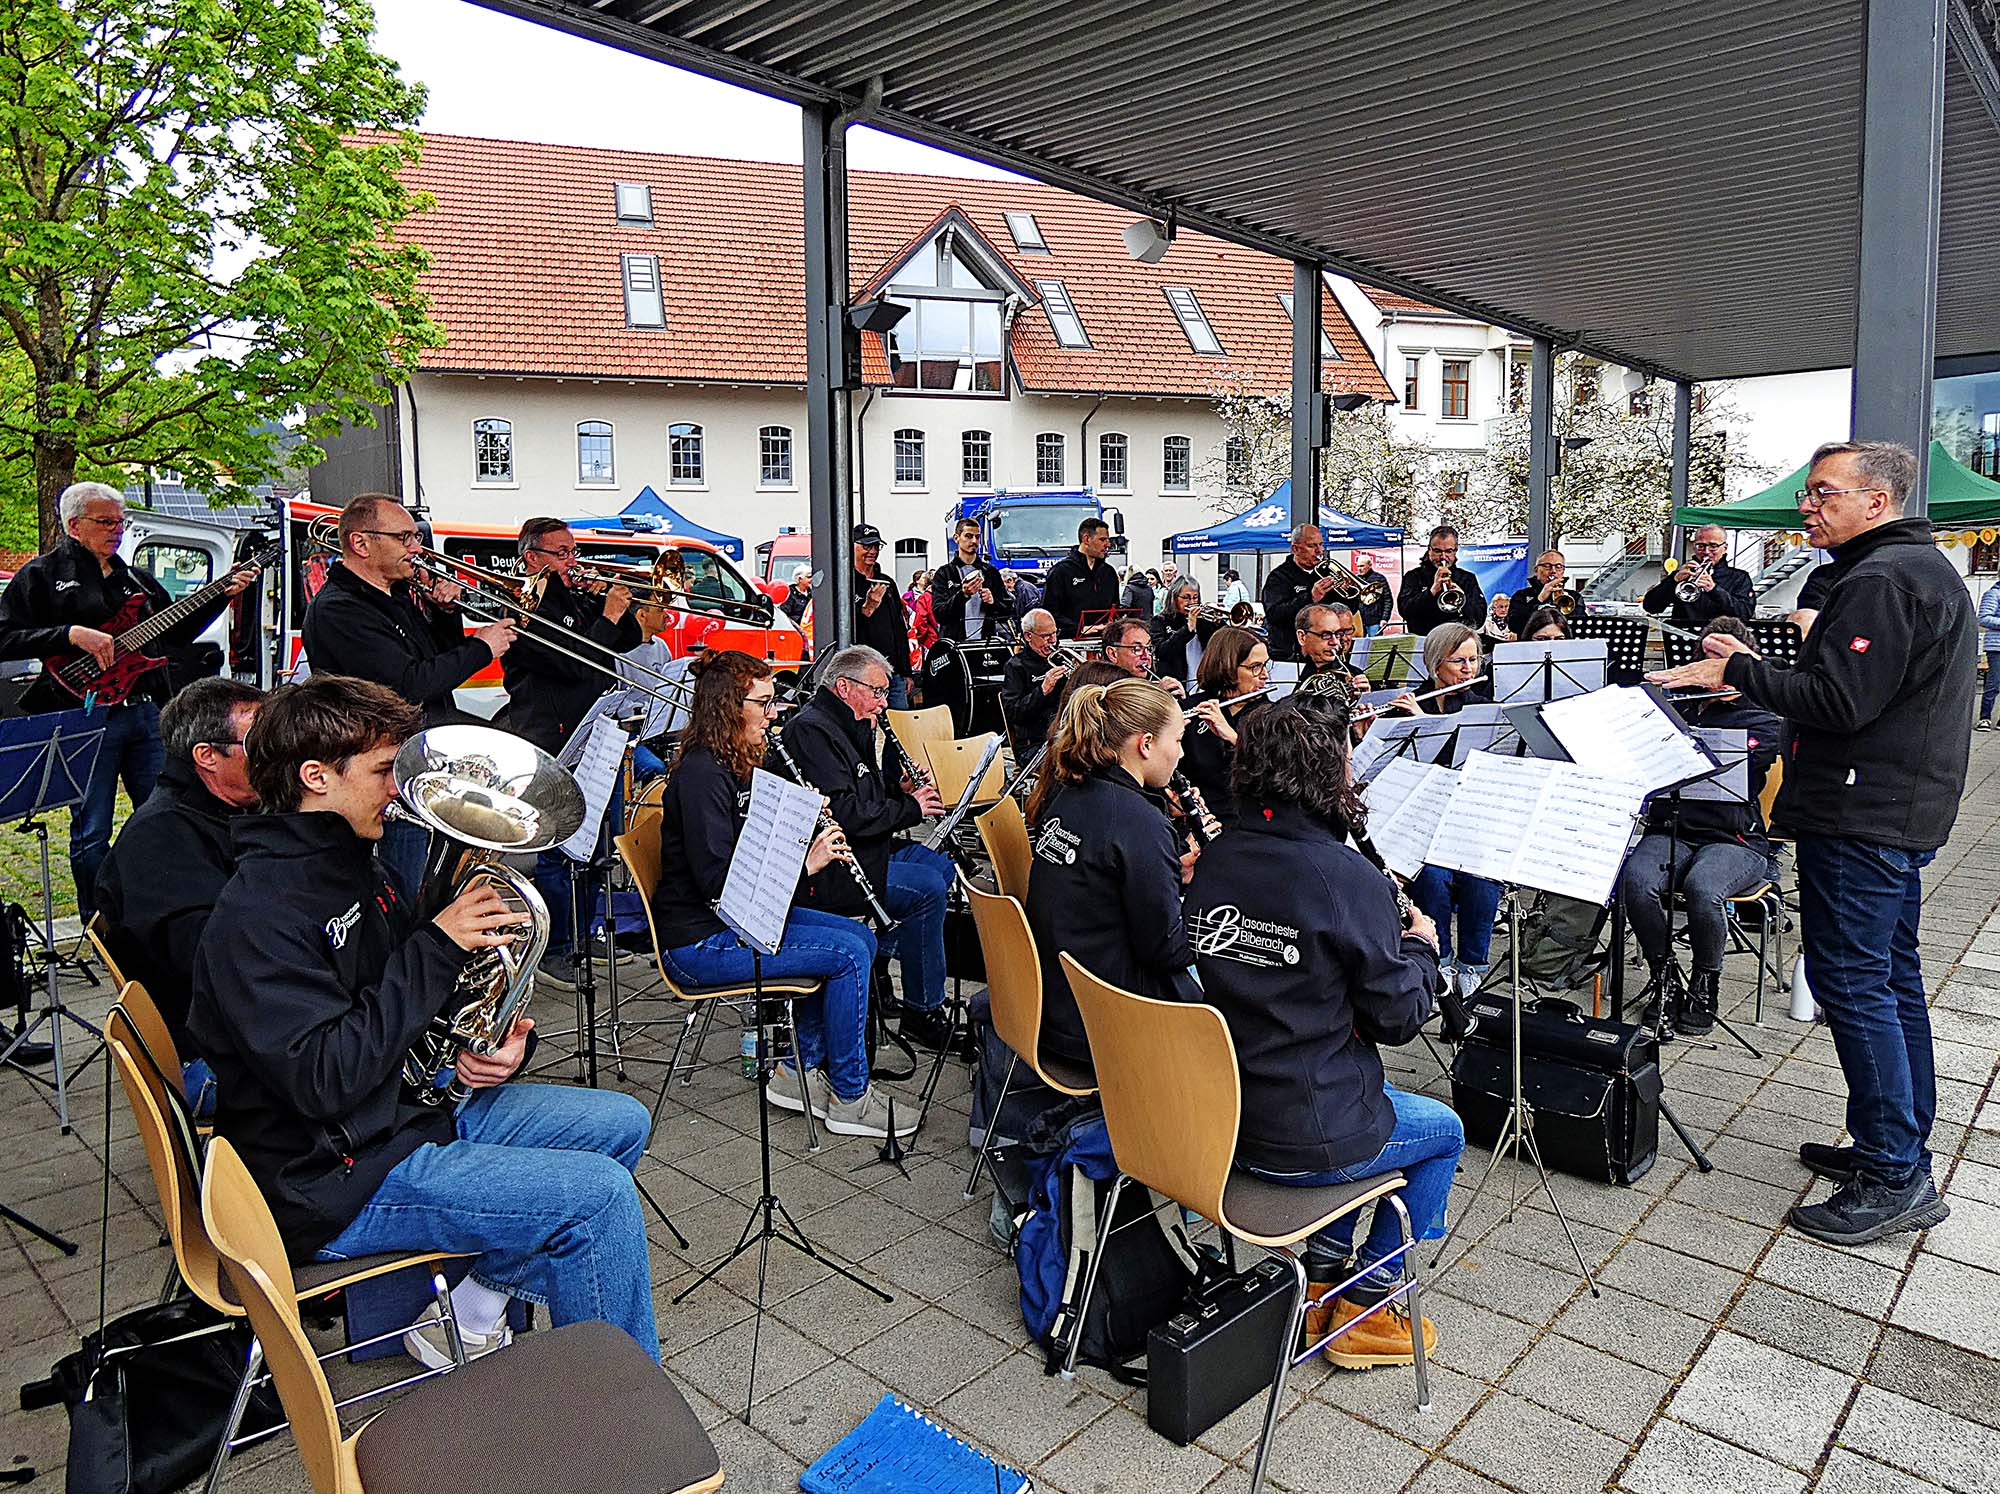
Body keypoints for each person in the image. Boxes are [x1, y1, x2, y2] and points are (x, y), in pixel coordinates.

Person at [188, 675, 659, 1366]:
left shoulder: (355, 866)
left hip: (400, 1118)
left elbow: (407, 1009)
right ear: (317, 777)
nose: (401, 789)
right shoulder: (259, 914)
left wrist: (485, 1043)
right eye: (385, 770)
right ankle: (621, 1404)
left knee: (621, 1124)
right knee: (596, 1198)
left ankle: (471, 1309)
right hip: (327, 1178)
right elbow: (325, 1079)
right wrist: (438, 944)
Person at [1650, 440, 1973, 1246]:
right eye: (1808, 492)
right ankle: (1892, 1145)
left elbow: (1839, 702)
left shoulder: (1882, 579)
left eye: (1825, 492)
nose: (1807, 505)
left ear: (1877, 500)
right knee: (1890, 979)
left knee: (1855, 983)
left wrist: (1738, 673)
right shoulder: (1914, 569)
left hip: (1861, 816)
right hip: (1891, 810)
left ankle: (1895, 1174)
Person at [1186, 693, 1456, 1367]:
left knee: (1354, 1104)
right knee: (1443, 1132)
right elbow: (1398, 1019)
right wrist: (1421, 948)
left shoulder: (1218, 856)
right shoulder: (1345, 875)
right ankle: (1368, 1302)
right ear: (1327, 775)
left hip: (1222, 1123)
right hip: (1304, 1132)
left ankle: (1321, 1282)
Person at [653, 651, 910, 1138]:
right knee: (849, 954)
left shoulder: (738, 762)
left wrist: (797, 816)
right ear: (730, 708)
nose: (774, 715)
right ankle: (850, 1097)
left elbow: (755, 844)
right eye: (765, 704)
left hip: (743, 919)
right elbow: (720, 885)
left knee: (858, 937)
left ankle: (796, 1072)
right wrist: (805, 861)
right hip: (702, 940)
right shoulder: (703, 775)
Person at [0, 481, 259, 918]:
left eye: (120, 522)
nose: (116, 531)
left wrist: (221, 597)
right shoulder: (41, 576)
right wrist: (69, 635)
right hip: (86, 715)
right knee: (92, 830)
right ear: (74, 525)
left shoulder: (137, 580)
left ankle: (169, 910)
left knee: (171, 814)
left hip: (144, 711)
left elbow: (176, 633)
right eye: (105, 522)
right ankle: (97, 922)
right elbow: (4, 637)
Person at [301, 493, 514, 898]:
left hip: (421, 757)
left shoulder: (393, 596)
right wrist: (482, 648)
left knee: (435, 883)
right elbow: (408, 686)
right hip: (385, 771)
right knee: (404, 886)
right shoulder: (339, 609)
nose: (416, 548)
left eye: (415, 537)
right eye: (404, 538)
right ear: (361, 543)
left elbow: (436, 664)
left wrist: (446, 615)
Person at [94, 676, 264, 1115]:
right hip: (207, 1061)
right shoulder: (161, 838)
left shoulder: (230, 810)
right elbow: (222, 966)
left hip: (244, 1032)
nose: (277, 754)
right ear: (206, 756)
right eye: (260, 743)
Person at [777, 645, 957, 1051]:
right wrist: (910, 809)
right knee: (927, 889)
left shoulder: (851, 723)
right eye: (877, 691)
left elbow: (863, 794)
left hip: (866, 849)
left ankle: (880, 963)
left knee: (941, 866)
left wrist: (898, 790)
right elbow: (843, 812)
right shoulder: (812, 731)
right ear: (844, 687)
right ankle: (922, 1009)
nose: (883, 702)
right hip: (833, 866)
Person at [1023, 678, 1198, 1071]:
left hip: (1058, 1001)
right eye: (1177, 740)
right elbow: (1166, 949)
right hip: (1103, 1021)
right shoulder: (1140, 823)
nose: (1181, 753)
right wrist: (1213, 902)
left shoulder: (1071, 794)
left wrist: (1171, 874)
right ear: (1146, 744)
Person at [1620, 617, 1781, 1038]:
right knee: (1635, 881)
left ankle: (1705, 983)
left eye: (1721, 659)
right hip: (1672, 827)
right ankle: (1664, 977)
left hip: (1734, 837)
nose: (1711, 668)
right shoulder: (1675, 709)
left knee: (1703, 888)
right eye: (1706, 658)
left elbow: (1757, 758)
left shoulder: (1762, 716)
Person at [501, 519, 643, 990]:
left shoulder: (574, 598)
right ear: (532, 557)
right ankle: (555, 947)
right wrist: (607, 618)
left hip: (596, 734)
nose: (572, 561)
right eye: (561, 553)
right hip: (553, 737)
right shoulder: (526, 607)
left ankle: (585, 933)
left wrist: (616, 607)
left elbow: (623, 643)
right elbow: (571, 662)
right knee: (559, 849)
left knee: (598, 847)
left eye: (573, 551)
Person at [1406, 625, 1499, 995]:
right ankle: (1439, 957)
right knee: (1432, 877)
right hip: (1424, 818)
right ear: (1434, 664)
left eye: (1474, 660)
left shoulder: (1484, 709)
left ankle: (1473, 965)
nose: (1468, 669)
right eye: (1458, 661)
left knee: (1483, 878)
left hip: (1470, 817)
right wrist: (1417, 723)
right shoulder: (1411, 704)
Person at [1178, 626, 1272, 829]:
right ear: (1228, 667)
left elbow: (1275, 775)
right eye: (1255, 667)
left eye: (1265, 665)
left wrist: (1234, 738)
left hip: (1247, 824)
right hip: (1195, 819)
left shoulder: (1272, 717)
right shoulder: (1191, 707)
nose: (1265, 675)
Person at [846, 525, 914, 709]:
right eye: (867, 546)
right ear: (851, 546)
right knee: (866, 720)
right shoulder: (846, 582)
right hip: (862, 672)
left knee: (900, 721)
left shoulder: (887, 582)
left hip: (892, 671)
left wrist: (906, 672)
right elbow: (844, 628)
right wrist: (867, 608)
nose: (873, 551)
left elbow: (899, 628)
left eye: (876, 546)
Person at [1263, 525, 1349, 664]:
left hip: (1326, 652)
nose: (1319, 551)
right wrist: (1310, 597)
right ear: (1295, 549)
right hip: (1289, 654)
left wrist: (1348, 593)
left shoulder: (1325, 573)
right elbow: (1274, 615)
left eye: (1320, 545)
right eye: (1312, 546)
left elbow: (1345, 611)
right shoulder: (1278, 577)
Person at [1643, 524, 1754, 627]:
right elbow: (1650, 607)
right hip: (1685, 636)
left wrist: (1714, 590)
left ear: (1724, 548)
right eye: (1701, 546)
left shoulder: (1739, 578)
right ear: (1694, 546)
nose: (1706, 551)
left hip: (1722, 638)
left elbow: (1745, 614)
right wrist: (1673, 581)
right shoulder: (1682, 574)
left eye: (1713, 546)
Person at [1397, 526, 1486, 635]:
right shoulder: (1413, 577)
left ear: (1455, 551)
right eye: (1437, 551)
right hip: (1424, 639)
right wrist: (1431, 592)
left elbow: (1479, 619)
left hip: (1456, 640)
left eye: (1448, 551)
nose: (1443, 557)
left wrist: (1463, 598)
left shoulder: (1467, 578)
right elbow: (1405, 612)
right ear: (1429, 550)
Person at [1001, 609, 1070, 748]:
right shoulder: (1015, 666)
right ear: (1028, 636)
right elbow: (1013, 712)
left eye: (1054, 633)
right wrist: (1042, 690)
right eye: (1046, 636)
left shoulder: (1061, 658)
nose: (1053, 640)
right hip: (1035, 743)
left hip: (1064, 736)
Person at [930, 519, 1006, 644]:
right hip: (955, 645)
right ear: (956, 538)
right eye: (968, 536)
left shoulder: (991, 572)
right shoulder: (944, 573)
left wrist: (993, 602)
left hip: (985, 645)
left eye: (977, 537)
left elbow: (1007, 611)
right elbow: (939, 614)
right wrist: (963, 595)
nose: (974, 541)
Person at [1041, 518, 1120, 637]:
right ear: (1086, 539)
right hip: (1070, 642)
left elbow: (1115, 607)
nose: (1108, 544)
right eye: (1102, 539)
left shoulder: (1109, 572)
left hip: (1104, 640)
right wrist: (1080, 628)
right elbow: (1049, 613)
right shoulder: (1060, 571)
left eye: (1108, 540)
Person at [1152, 578, 1218, 692]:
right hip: (1177, 685)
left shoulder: (1204, 621)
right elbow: (1162, 652)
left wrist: (1219, 622)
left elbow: (1219, 643)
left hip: (1203, 684)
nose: (1192, 602)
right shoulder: (1160, 621)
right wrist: (1188, 629)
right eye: (1186, 598)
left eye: (1195, 597)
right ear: (1174, 598)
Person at [1099, 614, 1179, 695]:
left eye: (1149, 648)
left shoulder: (1154, 683)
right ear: (1113, 654)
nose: (1146, 656)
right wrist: (1158, 697)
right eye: (1137, 649)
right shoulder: (1104, 693)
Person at [1507, 551, 1572, 636]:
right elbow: (1514, 625)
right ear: (1536, 570)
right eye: (1547, 566)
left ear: (1563, 571)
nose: (1553, 571)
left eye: (1558, 567)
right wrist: (1539, 599)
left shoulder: (1574, 596)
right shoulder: (1521, 595)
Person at [1295, 602, 1360, 682]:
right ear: (1302, 637)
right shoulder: (1285, 672)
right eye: (1326, 635)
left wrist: (1365, 690)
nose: (1335, 642)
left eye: (1337, 634)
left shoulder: (1353, 674)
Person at [1977, 578, 2000, 730]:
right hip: (1997, 646)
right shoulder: (1994, 593)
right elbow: (1984, 618)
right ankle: (1984, 718)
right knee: (1994, 683)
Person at [1352, 554, 1394, 635]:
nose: (1359, 569)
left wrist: (1384, 618)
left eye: (1362, 566)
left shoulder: (1380, 578)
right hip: (1359, 621)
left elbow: (1388, 599)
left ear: (1370, 565)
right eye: (1358, 566)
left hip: (1375, 621)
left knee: (1375, 642)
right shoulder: (1356, 579)